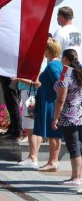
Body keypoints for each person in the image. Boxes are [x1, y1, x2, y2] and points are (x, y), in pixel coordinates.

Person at [51, 49, 82, 190]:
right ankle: (79, 176)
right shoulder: (80, 70)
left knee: (73, 146)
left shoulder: (66, 73)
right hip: (80, 112)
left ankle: (76, 177)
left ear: (64, 59)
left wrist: (55, 117)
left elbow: (61, 99)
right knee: (79, 146)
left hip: (69, 115)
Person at [33, 38, 64, 172]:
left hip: (51, 102)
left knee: (53, 133)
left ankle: (53, 161)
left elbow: (61, 85)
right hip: (51, 101)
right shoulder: (58, 64)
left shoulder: (52, 66)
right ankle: (53, 161)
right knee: (54, 134)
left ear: (49, 50)